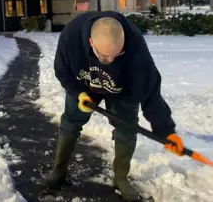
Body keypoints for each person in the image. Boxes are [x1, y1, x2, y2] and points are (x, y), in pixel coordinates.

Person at [44, 11, 184, 201]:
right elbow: (62, 70)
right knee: (70, 123)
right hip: (84, 85)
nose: (110, 61)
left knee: (126, 129)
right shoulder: (71, 36)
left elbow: (150, 91)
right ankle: (59, 170)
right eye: (105, 57)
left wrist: (166, 131)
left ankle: (120, 178)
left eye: (116, 55)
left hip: (122, 89)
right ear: (91, 43)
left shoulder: (135, 46)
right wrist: (79, 93)